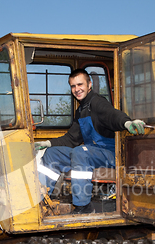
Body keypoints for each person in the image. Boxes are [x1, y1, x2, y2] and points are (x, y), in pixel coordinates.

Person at [35, 68, 145, 214]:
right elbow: (71, 138)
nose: (77, 89)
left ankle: (83, 206)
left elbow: (112, 115)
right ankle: (44, 198)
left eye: (80, 85)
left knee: (80, 152)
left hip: (109, 154)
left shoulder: (97, 102)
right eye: (73, 86)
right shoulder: (81, 110)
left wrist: (127, 123)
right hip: (90, 153)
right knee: (51, 154)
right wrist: (48, 143)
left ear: (89, 85)